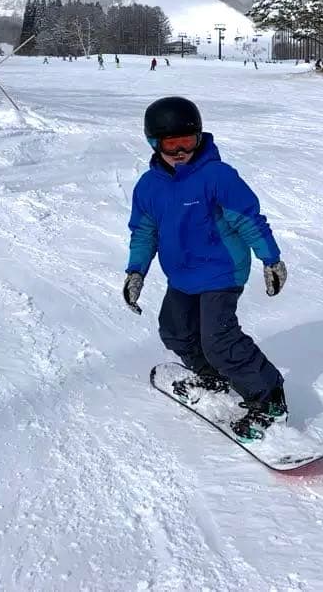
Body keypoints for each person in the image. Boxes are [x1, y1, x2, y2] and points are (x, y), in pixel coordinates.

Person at [122, 97, 289, 442]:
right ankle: (213, 376)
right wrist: (136, 271)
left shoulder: (217, 176)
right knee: (175, 332)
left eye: (188, 141)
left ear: (199, 138)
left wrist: (270, 259)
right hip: (182, 274)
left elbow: (248, 220)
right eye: (171, 144)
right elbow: (144, 232)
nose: (181, 151)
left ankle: (269, 398)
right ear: (154, 143)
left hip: (222, 271)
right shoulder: (149, 187)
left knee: (219, 340)